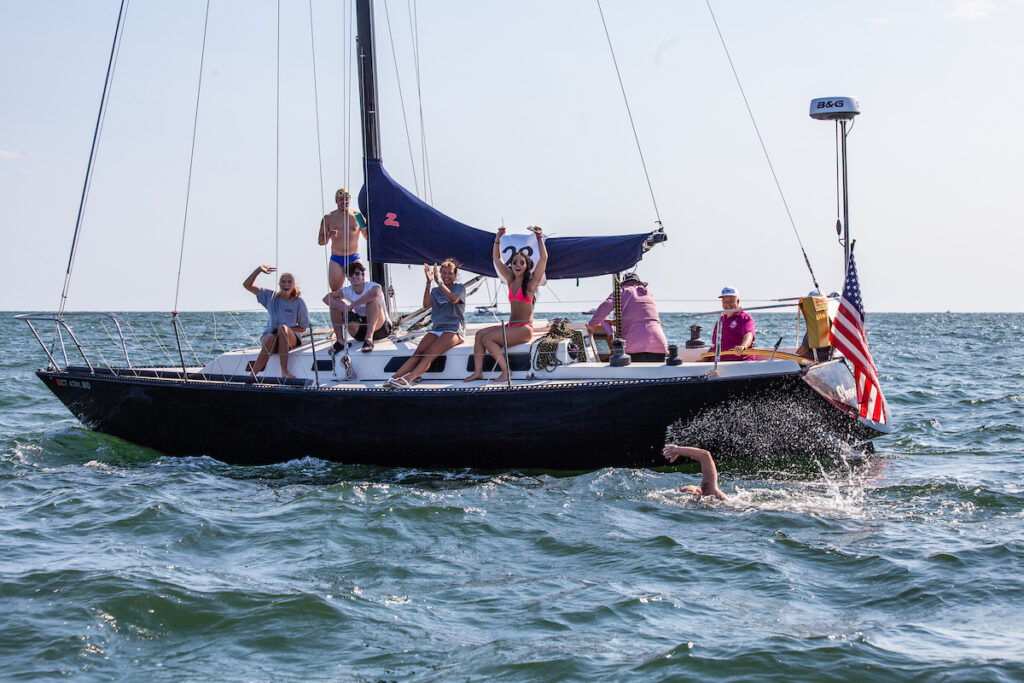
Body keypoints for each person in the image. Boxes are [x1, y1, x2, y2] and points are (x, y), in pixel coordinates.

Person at [464, 225, 548, 383]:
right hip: (511, 326)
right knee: (479, 335)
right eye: (514, 262)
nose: (517, 264)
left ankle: (506, 371)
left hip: (524, 329)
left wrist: (539, 237)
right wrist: (498, 238)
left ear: (526, 265)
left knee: (488, 339)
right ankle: (478, 372)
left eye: (521, 262)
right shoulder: (510, 280)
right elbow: (497, 259)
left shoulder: (530, 284)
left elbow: (543, 260)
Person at [386, 260, 466, 388]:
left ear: (455, 275)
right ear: (440, 273)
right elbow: (426, 304)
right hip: (437, 328)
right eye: (444, 273)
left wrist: (439, 282)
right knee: (418, 353)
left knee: (429, 353)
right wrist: (429, 283)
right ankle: (394, 378)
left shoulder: (459, 288)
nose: (446, 276)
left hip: (453, 329)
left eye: (450, 273)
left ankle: (408, 379)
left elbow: (453, 299)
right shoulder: (435, 291)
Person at [242, 265, 310, 378]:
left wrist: (284, 329)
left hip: (290, 338)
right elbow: (247, 285)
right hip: (271, 337)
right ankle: (252, 376)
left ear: (293, 285)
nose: (286, 284)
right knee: (270, 338)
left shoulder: (298, 302)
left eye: (289, 282)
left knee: (283, 329)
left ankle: (284, 371)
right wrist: (259, 269)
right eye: (283, 281)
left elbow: (303, 327)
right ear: (279, 284)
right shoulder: (271, 296)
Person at [587, 272, 668, 362]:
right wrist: (615, 322)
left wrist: (591, 325)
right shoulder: (648, 294)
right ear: (639, 283)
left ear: (624, 283)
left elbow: (605, 307)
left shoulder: (623, 291)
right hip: (659, 344)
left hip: (635, 345)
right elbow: (644, 319)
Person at [323, 261, 393, 353]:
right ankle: (340, 341)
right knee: (334, 305)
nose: (354, 276)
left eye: (357, 273)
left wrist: (352, 305)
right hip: (360, 330)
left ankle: (369, 339)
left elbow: (375, 293)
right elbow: (326, 298)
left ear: (363, 276)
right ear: (348, 278)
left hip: (381, 328)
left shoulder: (373, 286)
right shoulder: (348, 290)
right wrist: (343, 307)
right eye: (350, 274)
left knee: (373, 300)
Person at [318, 188, 367, 291]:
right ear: (336, 201)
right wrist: (329, 235)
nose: (344, 202)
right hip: (337, 258)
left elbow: (367, 236)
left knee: (360, 288)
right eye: (341, 199)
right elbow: (321, 241)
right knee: (335, 292)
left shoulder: (358, 216)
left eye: (346, 199)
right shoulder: (328, 218)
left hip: (353, 257)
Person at [662, 444, 728, 501]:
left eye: (690, 491)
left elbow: (705, 455)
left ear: (699, 490)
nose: (691, 493)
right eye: (688, 493)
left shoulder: (710, 492)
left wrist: (676, 450)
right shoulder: (698, 501)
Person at [709, 286, 756, 361]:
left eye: (731, 301)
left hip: (740, 362)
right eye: (725, 301)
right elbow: (715, 345)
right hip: (720, 363)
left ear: (737, 301)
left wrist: (743, 346)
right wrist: (705, 359)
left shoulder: (745, 318)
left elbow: (749, 335)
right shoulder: (720, 320)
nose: (727, 304)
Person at [795, 289, 834, 362]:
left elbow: (803, 350)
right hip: (828, 356)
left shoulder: (816, 323)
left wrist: (791, 359)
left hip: (818, 358)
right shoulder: (829, 319)